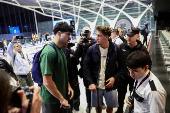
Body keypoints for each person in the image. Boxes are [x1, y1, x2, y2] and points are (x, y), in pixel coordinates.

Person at [83, 25, 121, 113]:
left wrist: (114, 78)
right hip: (96, 85)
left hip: (110, 85)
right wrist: (90, 82)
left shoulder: (116, 49)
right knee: (97, 106)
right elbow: (86, 67)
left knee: (110, 107)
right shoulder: (91, 49)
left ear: (106, 37)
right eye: (96, 35)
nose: (96, 38)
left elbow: (122, 67)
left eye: (99, 36)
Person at [39, 22, 74, 113]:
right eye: (68, 34)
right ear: (59, 33)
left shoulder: (61, 50)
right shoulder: (49, 53)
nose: (70, 37)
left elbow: (62, 72)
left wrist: (68, 86)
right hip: (51, 101)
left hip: (60, 97)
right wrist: (61, 99)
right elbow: (47, 81)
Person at [115, 28, 152, 113]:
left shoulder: (142, 49)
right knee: (121, 94)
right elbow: (118, 62)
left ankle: (132, 109)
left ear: (137, 36)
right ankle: (120, 109)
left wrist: (144, 78)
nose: (128, 37)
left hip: (136, 77)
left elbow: (148, 63)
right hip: (123, 76)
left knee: (135, 95)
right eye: (127, 35)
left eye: (131, 36)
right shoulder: (122, 47)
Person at [73, 26, 97, 112]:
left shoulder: (94, 42)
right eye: (85, 33)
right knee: (87, 89)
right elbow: (75, 56)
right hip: (85, 70)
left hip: (95, 69)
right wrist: (79, 45)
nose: (86, 35)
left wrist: (90, 45)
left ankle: (100, 102)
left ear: (90, 33)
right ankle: (88, 104)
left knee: (98, 87)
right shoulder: (81, 43)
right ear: (82, 33)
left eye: (88, 32)